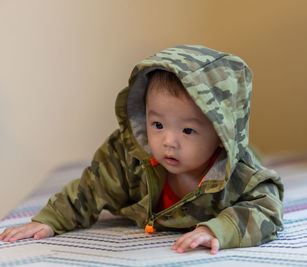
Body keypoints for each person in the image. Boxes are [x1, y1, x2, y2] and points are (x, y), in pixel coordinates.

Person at [0, 45, 284, 254]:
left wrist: (217, 229)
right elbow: (90, 188)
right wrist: (50, 220)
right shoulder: (128, 158)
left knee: (255, 161)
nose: (168, 141)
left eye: (188, 130)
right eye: (157, 124)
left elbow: (267, 209)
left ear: (222, 136)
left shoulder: (239, 176)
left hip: (237, 161)